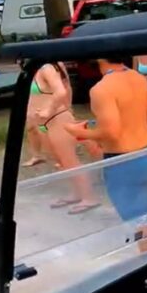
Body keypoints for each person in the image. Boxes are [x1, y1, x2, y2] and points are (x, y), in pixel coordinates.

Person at [64, 57, 147, 250]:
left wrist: (79, 132)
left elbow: (111, 132)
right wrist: (132, 127)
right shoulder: (138, 78)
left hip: (121, 161)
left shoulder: (101, 89)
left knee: (140, 217)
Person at [29, 62, 100, 214]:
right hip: (42, 123)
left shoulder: (47, 68)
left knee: (69, 160)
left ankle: (89, 197)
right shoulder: (32, 69)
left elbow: (61, 91)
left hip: (57, 118)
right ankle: (76, 192)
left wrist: (49, 110)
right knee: (60, 160)